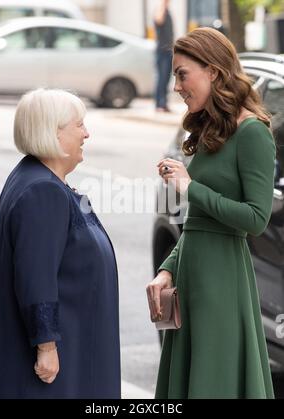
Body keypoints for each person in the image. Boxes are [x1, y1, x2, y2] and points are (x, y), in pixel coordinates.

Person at [147, 27, 275, 399]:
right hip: (192, 277)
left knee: (214, 381)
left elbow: (255, 218)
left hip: (222, 282)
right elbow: (198, 223)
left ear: (213, 72)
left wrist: (191, 187)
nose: (176, 86)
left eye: (182, 74)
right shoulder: (211, 129)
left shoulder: (252, 133)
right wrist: (168, 269)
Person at [0, 88, 120, 399]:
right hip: (54, 368)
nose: (87, 133)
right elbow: (36, 277)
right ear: (53, 133)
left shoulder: (35, 178)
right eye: (79, 125)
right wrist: (46, 345)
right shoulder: (42, 191)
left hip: (71, 350)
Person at [154, 0, 174, 112]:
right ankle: (159, 104)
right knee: (161, 78)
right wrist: (162, 4)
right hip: (162, 51)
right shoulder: (159, 10)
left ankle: (164, 103)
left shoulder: (167, 11)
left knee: (166, 79)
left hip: (168, 50)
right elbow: (159, 20)